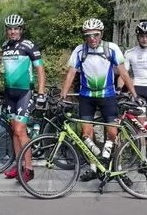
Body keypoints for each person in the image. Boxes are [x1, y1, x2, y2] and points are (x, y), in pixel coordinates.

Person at [60, 18, 142, 182]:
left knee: (113, 133)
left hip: (108, 96)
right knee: (86, 135)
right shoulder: (79, 50)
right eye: (88, 35)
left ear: (101, 34)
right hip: (86, 97)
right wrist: (63, 95)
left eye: (95, 35)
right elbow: (71, 74)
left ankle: (118, 170)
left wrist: (134, 94)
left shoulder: (111, 48)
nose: (92, 39)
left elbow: (124, 73)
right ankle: (93, 168)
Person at [0, 14, 46, 183]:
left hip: (25, 93)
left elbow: (40, 70)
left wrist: (41, 93)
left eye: (16, 29)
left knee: (20, 130)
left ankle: (29, 168)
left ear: (21, 30)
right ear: (7, 31)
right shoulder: (4, 46)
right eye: (10, 29)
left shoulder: (29, 46)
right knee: (15, 131)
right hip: (9, 93)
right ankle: (18, 165)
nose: (13, 31)